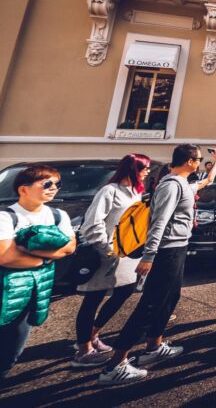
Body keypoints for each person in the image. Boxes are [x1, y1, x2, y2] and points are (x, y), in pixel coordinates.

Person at [99, 144, 202, 386]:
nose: (199, 163)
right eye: (198, 159)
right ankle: (115, 364)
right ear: (189, 161)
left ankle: (154, 345)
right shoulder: (171, 184)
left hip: (178, 248)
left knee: (170, 298)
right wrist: (149, 255)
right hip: (166, 251)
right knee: (150, 304)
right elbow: (159, 221)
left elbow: (202, 184)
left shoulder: (182, 183)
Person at [0, 165, 76, 402]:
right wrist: (46, 257)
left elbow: (69, 247)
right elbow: (3, 257)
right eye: (46, 184)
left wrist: (25, 250)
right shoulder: (2, 217)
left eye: (56, 184)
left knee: (7, 358)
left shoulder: (58, 215)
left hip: (29, 297)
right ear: (23, 189)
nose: (53, 188)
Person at [72, 154, 150, 367]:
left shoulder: (136, 193)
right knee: (92, 300)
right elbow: (92, 225)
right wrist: (107, 250)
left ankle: (93, 334)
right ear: (133, 170)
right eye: (145, 168)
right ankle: (83, 350)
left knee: (124, 292)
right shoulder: (110, 191)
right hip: (104, 255)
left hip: (126, 256)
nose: (148, 172)